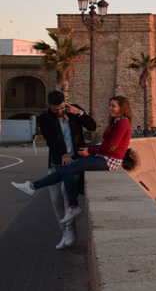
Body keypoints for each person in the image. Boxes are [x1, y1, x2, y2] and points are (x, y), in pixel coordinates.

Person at [12, 96, 133, 225]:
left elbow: (111, 146)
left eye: (113, 106)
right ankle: (32, 186)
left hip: (110, 160)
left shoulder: (123, 123)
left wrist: (89, 151)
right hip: (104, 157)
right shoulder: (118, 121)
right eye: (110, 105)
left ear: (122, 107)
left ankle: (71, 205)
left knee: (67, 170)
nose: (110, 108)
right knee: (67, 169)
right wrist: (89, 150)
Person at [36, 91, 97, 250]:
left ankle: (70, 229)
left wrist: (80, 113)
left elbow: (92, 126)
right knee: (56, 200)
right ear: (49, 106)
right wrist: (63, 154)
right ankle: (66, 232)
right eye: (55, 110)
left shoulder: (74, 111)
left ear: (65, 102)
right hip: (57, 162)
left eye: (61, 108)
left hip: (75, 161)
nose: (59, 112)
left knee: (65, 191)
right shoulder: (44, 117)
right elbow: (51, 140)